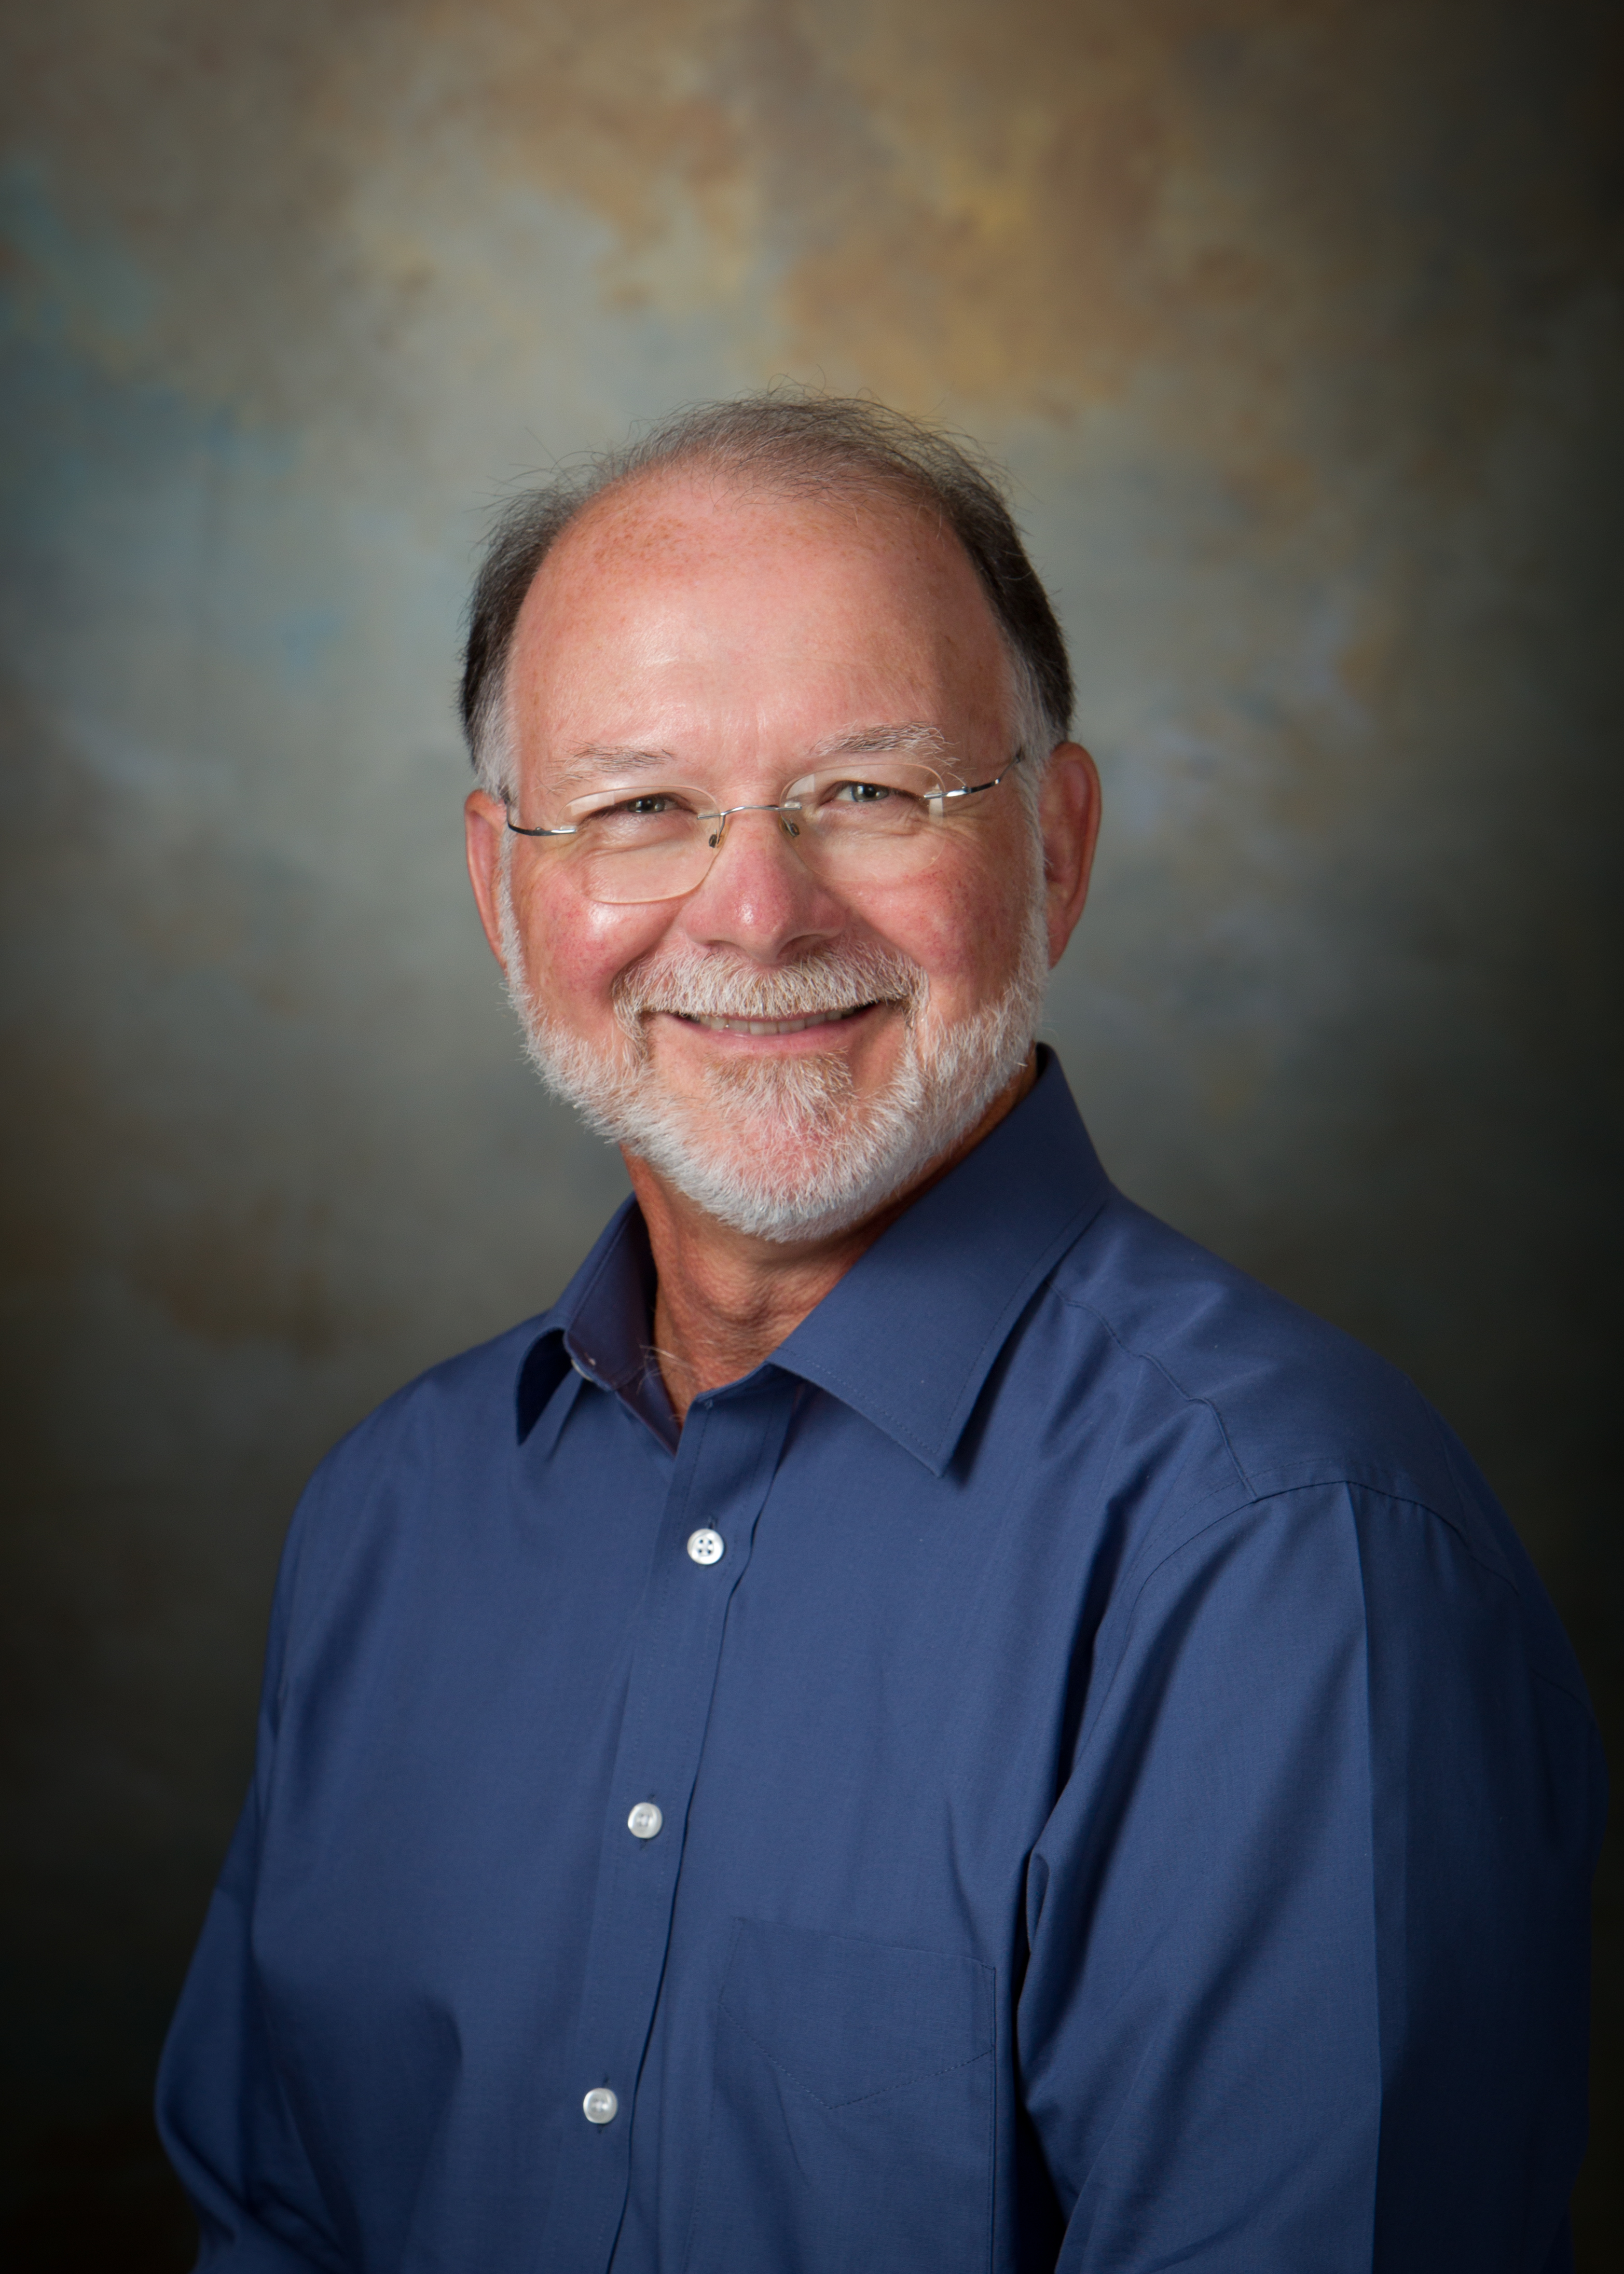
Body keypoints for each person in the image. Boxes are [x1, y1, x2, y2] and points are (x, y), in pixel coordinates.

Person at [158, 393, 1603, 2273]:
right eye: (638, 807)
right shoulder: (391, 1517)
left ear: (1057, 850)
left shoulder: (1285, 1553)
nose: (754, 913)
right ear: (504, 891)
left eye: (868, 790)